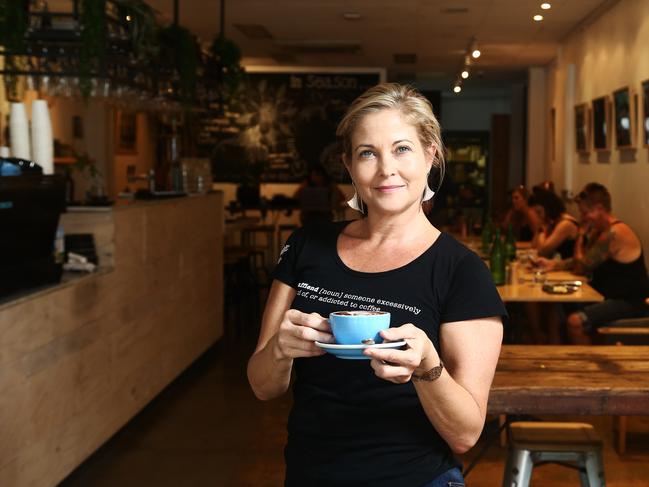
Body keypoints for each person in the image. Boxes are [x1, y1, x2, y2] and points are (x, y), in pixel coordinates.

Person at [247, 83, 506, 486]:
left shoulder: (462, 271)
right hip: (310, 475)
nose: (387, 169)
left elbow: (465, 434)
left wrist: (427, 367)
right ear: (349, 165)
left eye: (402, 149)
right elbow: (262, 387)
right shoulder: (305, 245)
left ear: (430, 155)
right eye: (368, 153)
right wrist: (280, 350)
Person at [537, 183, 649, 344]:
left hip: (629, 301)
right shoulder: (601, 232)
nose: (582, 218)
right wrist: (552, 265)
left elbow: (580, 266)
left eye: (585, 212)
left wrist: (581, 235)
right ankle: (556, 356)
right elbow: (585, 259)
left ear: (598, 208)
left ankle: (584, 364)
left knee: (575, 321)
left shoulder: (614, 234)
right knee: (556, 306)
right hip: (607, 296)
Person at [529, 188, 579, 259]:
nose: (539, 216)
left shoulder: (565, 223)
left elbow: (543, 251)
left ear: (548, 208)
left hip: (570, 268)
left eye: (539, 212)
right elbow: (533, 246)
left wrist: (542, 230)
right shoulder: (553, 222)